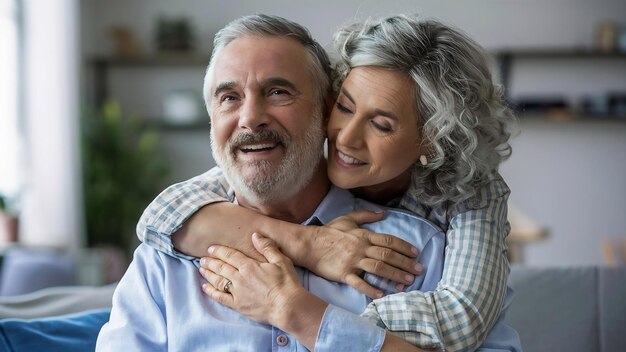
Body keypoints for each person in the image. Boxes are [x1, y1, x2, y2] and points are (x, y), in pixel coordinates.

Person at [97, 14, 520, 351]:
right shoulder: (165, 257)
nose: (249, 119)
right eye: (229, 97)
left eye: (278, 92)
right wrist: (309, 245)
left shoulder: (425, 251)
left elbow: (467, 314)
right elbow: (162, 215)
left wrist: (310, 315)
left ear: (322, 108)